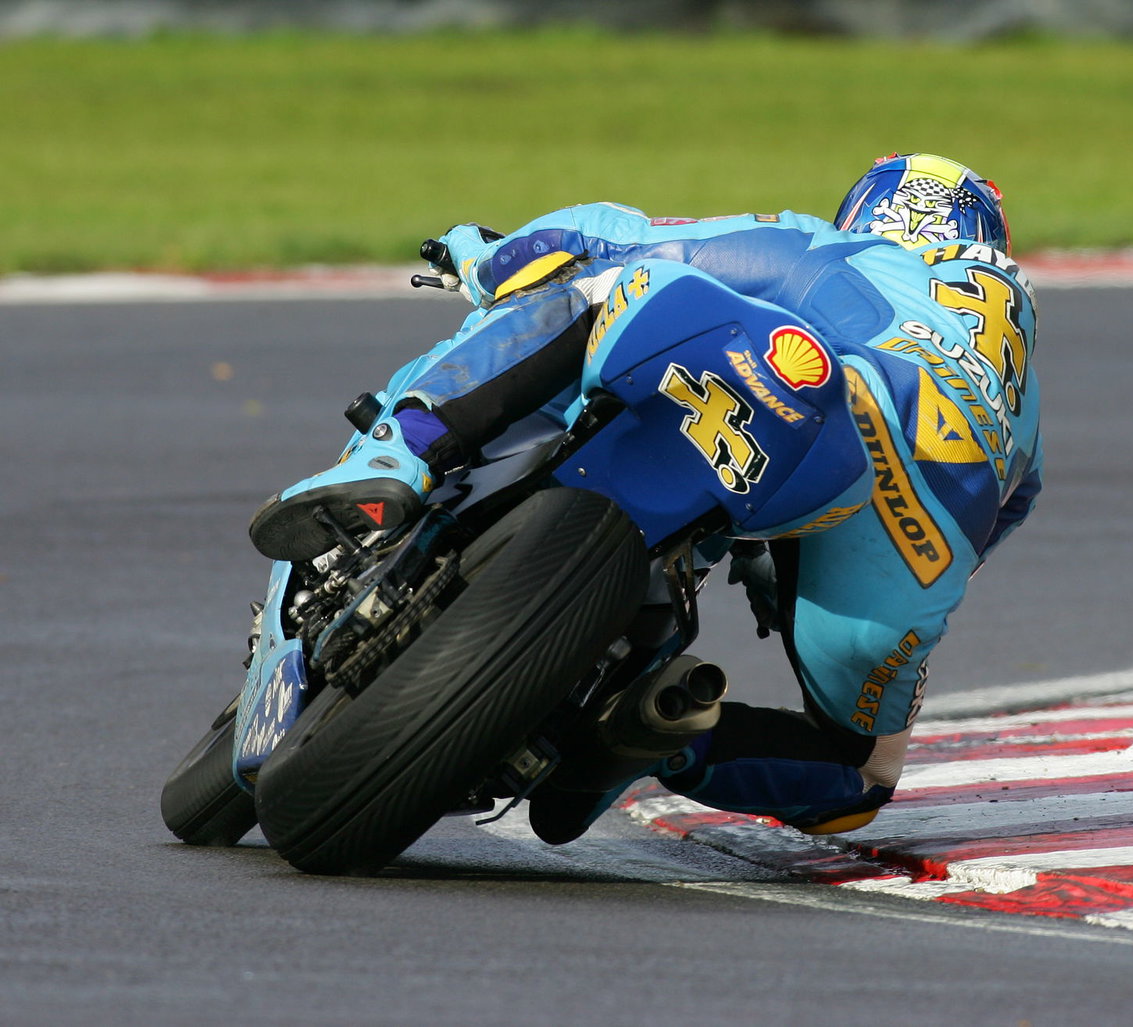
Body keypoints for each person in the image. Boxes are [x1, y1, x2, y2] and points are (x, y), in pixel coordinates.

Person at [249, 153, 1042, 843]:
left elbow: (609, 235)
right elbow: (1013, 502)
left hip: (827, 359)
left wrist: (480, 257)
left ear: (878, 210)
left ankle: (402, 451)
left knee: (605, 281)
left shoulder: (843, 246)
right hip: (940, 499)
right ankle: (653, 735)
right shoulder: (1020, 383)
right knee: (859, 773)